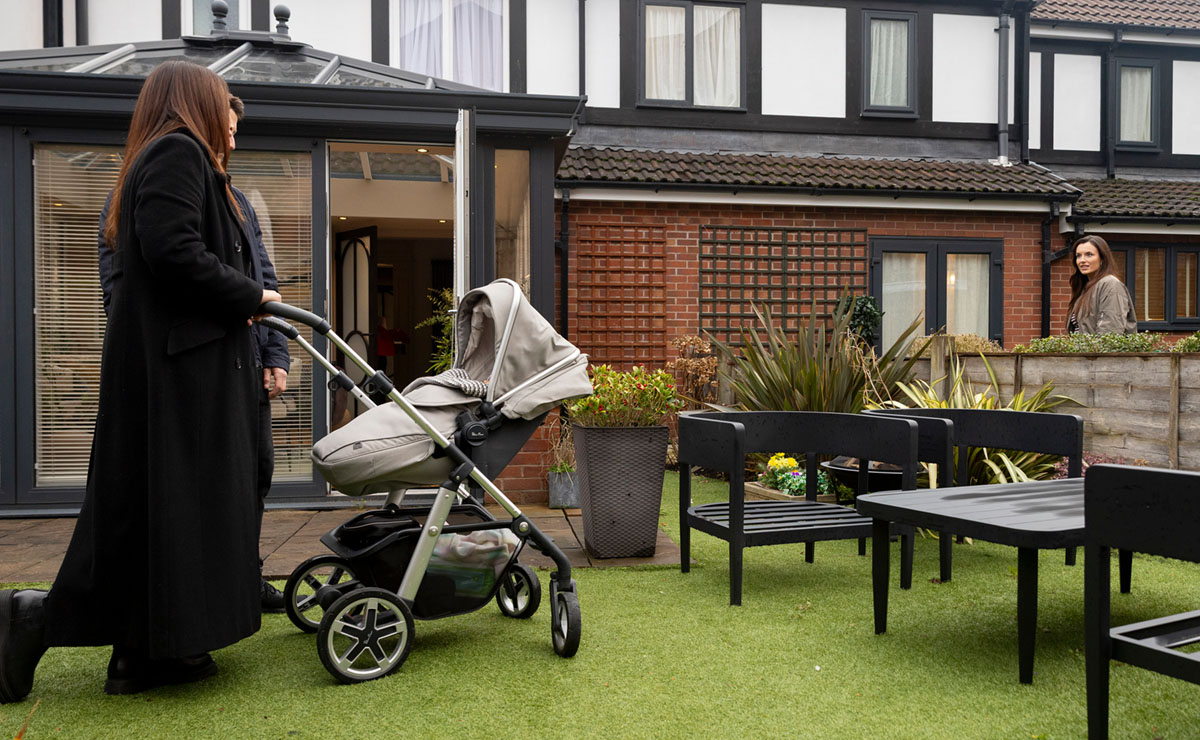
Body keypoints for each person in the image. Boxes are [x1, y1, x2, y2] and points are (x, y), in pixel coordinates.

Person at [0, 60, 280, 703]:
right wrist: (252, 295)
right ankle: (37, 618)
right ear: (193, 101)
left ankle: (142, 655)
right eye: (222, 106)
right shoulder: (178, 153)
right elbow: (173, 250)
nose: (231, 125)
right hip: (182, 376)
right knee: (170, 508)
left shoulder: (160, 160)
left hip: (172, 369)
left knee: (158, 513)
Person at [97, 94, 291, 614]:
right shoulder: (135, 192)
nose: (231, 141)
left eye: (235, 131)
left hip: (245, 361)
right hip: (191, 367)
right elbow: (125, 293)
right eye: (226, 129)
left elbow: (262, 280)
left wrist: (276, 354)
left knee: (252, 477)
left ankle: (242, 577)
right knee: (195, 489)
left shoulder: (236, 201)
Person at [1065, 235, 1137, 335]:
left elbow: (1110, 331)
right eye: (1078, 256)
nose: (1082, 260)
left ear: (1102, 258)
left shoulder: (1110, 285)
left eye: (1089, 254)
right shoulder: (1085, 288)